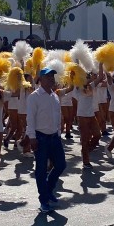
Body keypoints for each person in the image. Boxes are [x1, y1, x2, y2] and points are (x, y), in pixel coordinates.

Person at [26, 68, 70, 213]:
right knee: (41, 169)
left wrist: (58, 131)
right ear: (41, 78)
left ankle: (49, 189)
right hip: (40, 137)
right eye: (49, 76)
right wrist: (32, 137)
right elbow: (30, 118)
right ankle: (44, 200)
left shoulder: (54, 96)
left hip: (54, 137)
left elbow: (57, 115)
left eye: (53, 76)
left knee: (61, 164)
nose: (52, 79)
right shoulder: (34, 96)